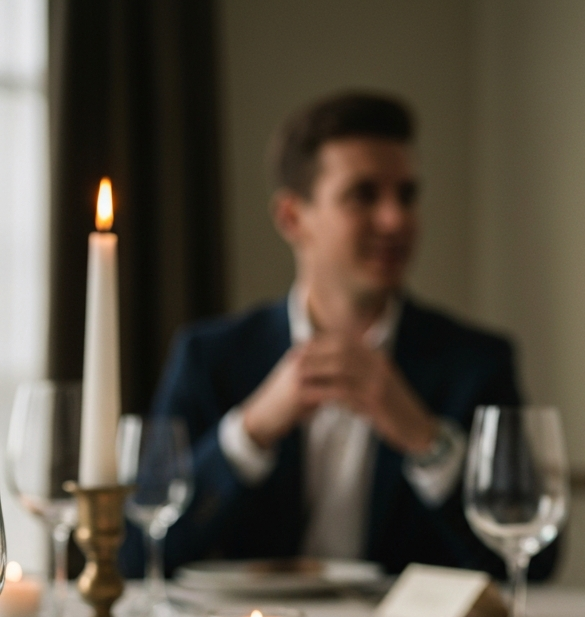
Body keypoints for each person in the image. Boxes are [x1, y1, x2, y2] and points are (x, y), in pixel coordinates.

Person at [126, 92, 554, 580]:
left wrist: (426, 441)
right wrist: (249, 432)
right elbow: (136, 555)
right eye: (364, 195)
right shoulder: (209, 358)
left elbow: (534, 563)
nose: (396, 219)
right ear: (292, 217)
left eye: (407, 195)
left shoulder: (475, 364)